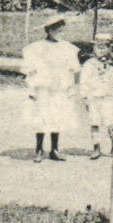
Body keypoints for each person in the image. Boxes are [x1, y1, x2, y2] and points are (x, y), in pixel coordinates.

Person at [21, 15, 80, 163]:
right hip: (43, 87)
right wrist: (32, 89)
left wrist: (71, 87)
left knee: (57, 116)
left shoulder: (67, 48)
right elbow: (31, 70)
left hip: (59, 87)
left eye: (62, 30)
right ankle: (39, 149)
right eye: (57, 30)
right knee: (41, 117)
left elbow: (72, 69)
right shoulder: (37, 48)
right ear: (49, 31)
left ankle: (54, 149)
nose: (60, 33)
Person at [79, 32, 113, 159]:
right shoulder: (89, 64)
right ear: (94, 49)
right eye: (98, 47)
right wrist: (85, 97)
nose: (101, 51)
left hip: (108, 97)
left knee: (111, 122)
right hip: (94, 97)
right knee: (95, 122)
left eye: (104, 47)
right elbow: (83, 82)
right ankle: (96, 147)